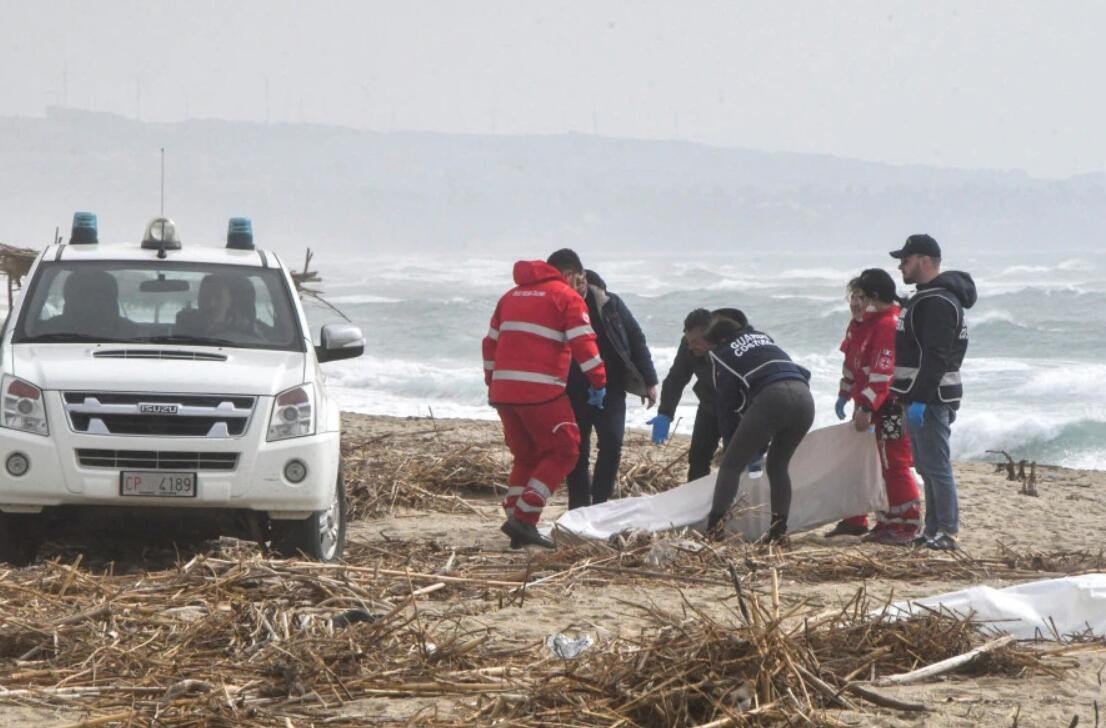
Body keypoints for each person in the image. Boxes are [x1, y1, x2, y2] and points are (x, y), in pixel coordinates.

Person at [482, 249, 607, 548]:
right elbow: (584, 344)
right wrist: (598, 381)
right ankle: (525, 518)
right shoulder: (566, 296)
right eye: (580, 279)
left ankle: (515, 516)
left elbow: (489, 345)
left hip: (503, 392)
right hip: (541, 391)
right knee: (566, 449)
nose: (581, 286)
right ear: (570, 274)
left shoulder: (510, 296)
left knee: (526, 456)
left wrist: (493, 382)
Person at [889, 234, 977, 551]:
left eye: (906, 260)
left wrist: (921, 400)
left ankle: (947, 532)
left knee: (936, 467)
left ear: (924, 261)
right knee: (925, 466)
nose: (901, 266)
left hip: (932, 398)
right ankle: (931, 529)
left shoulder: (937, 302)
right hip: (922, 396)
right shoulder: (926, 299)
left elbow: (935, 356)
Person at [825, 270, 922, 545]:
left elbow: (883, 372)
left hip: (889, 405)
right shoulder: (864, 323)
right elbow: (854, 362)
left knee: (895, 462)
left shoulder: (887, 324)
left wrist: (866, 406)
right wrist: (846, 394)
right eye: (853, 297)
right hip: (870, 403)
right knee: (877, 462)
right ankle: (886, 520)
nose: (857, 302)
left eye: (862, 296)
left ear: (874, 297)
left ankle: (907, 523)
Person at [704, 314, 814, 544]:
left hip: (773, 397)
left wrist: (729, 443)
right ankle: (778, 532)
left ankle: (714, 529)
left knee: (731, 465)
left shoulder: (721, 354)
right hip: (804, 397)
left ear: (717, 341)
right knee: (778, 465)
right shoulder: (762, 337)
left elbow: (727, 404)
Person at [565, 269, 658, 509]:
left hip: (612, 385)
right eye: (576, 282)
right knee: (577, 449)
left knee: (612, 443)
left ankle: (600, 504)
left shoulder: (611, 304)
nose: (580, 286)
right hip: (573, 387)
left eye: (583, 281)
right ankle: (577, 506)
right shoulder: (561, 306)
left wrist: (649, 380)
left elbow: (636, 338)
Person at [650, 307, 748, 481]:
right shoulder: (689, 345)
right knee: (697, 458)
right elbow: (676, 378)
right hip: (710, 405)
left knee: (736, 460)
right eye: (688, 340)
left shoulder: (736, 343)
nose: (690, 346)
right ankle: (696, 502)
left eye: (695, 341)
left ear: (711, 335)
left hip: (738, 409)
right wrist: (665, 413)